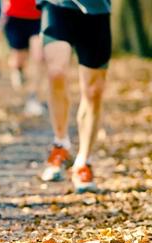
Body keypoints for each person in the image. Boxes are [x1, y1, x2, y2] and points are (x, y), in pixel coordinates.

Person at [38, 0, 111, 193]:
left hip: (97, 10)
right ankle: (60, 144)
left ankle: (83, 162)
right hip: (57, 6)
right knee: (56, 71)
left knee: (93, 91)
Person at [3, 0, 45, 116]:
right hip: (15, 17)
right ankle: (18, 70)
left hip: (38, 17)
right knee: (17, 61)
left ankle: (33, 96)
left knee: (38, 56)